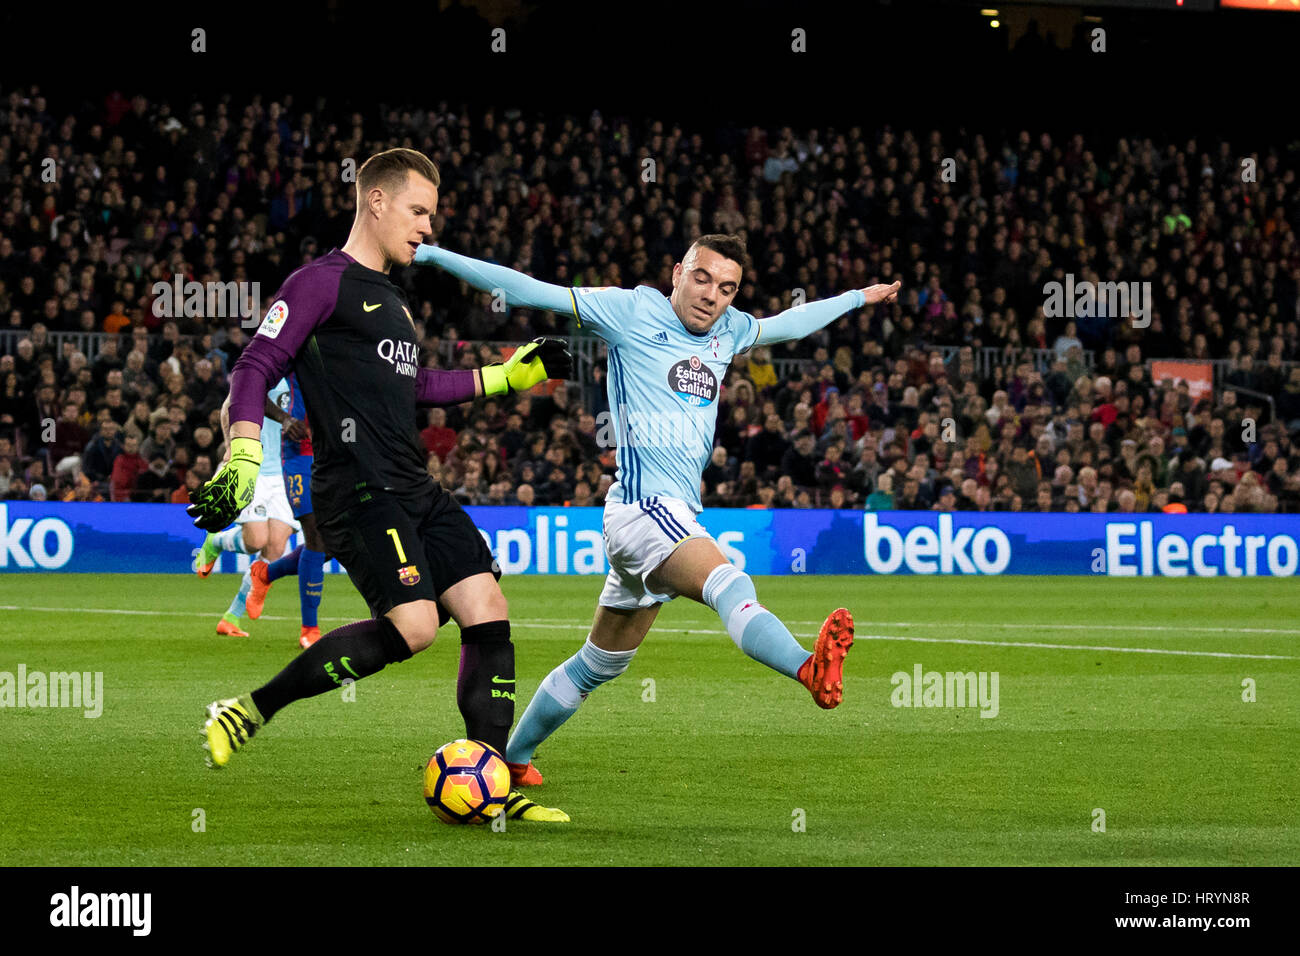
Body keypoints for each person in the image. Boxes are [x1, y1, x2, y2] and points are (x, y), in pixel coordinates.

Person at [415, 232, 899, 790]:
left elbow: (788, 324)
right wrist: (431, 254)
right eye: (701, 277)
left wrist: (857, 299)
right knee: (728, 581)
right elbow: (527, 290)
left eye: (726, 287)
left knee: (600, 662)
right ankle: (805, 668)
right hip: (645, 510)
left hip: (659, 518)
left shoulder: (730, 329)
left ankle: (514, 759)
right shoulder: (630, 310)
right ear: (676, 272)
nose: (711, 295)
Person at [187, 147, 571, 823]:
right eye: (419, 210)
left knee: (487, 606)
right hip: (357, 485)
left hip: (413, 483)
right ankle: (249, 710)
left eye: (432, 214)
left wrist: (506, 376)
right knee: (418, 627)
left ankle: (491, 774)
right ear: (376, 200)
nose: (428, 226)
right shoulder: (319, 282)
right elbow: (253, 365)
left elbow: (415, 385)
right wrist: (243, 456)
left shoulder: (393, 299)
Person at [191, 392, 299, 638]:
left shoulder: (304, 374)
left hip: (286, 472)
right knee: (255, 541)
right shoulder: (268, 365)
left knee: (275, 548)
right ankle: (216, 541)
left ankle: (231, 618)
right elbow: (230, 403)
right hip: (253, 467)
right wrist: (230, 445)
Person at [242, 373, 330, 648]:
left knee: (337, 542)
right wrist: (285, 418)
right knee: (315, 534)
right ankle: (309, 629)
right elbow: (251, 387)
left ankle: (265, 574)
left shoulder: (344, 349)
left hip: (337, 452)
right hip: (300, 452)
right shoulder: (294, 349)